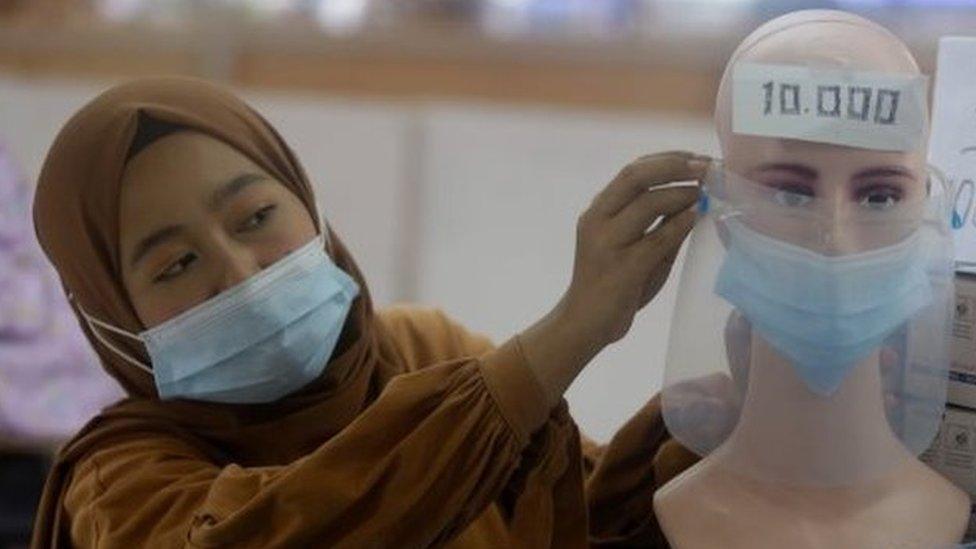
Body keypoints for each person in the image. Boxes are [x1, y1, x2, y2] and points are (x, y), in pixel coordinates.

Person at [28, 77, 705, 548]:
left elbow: (583, 518)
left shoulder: (421, 351)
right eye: (176, 264)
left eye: (256, 216)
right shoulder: (116, 484)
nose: (240, 273)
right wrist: (568, 334)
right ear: (113, 317)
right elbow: (289, 531)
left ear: (309, 205)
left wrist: (734, 384)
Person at [652, 10, 969, 548]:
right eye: (789, 193)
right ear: (722, 207)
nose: (835, 238)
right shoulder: (652, 516)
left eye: (880, 196)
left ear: (925, 214)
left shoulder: (954, 516)